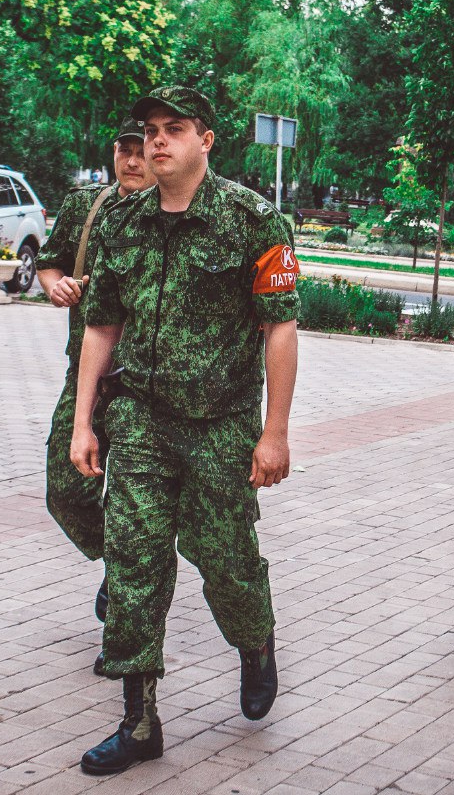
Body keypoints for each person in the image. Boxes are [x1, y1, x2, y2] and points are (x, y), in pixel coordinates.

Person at [70, 86, 300, 774]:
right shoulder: (122, 220)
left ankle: (255, 644)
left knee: (226, 562)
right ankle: (139, 722)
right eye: (149, 130)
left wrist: (275, 433)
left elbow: (280, 326)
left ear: (207, 140)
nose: (157, 142)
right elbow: (102, 324)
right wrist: (85, 422)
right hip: (139, 416)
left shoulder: (254, 221)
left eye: (174, 129)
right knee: (135, 565)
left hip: (221, 424)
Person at [36, 117, 154, 674]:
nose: (132, 161)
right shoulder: (87, 205)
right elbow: (49, 262)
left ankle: (128, 586)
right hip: (87, 378)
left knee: (136, 508)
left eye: (141, 151)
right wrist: (55, 284)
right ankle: (116, 559)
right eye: (123, 151)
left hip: (148, 391)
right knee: (64, 488)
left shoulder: (175, 215)